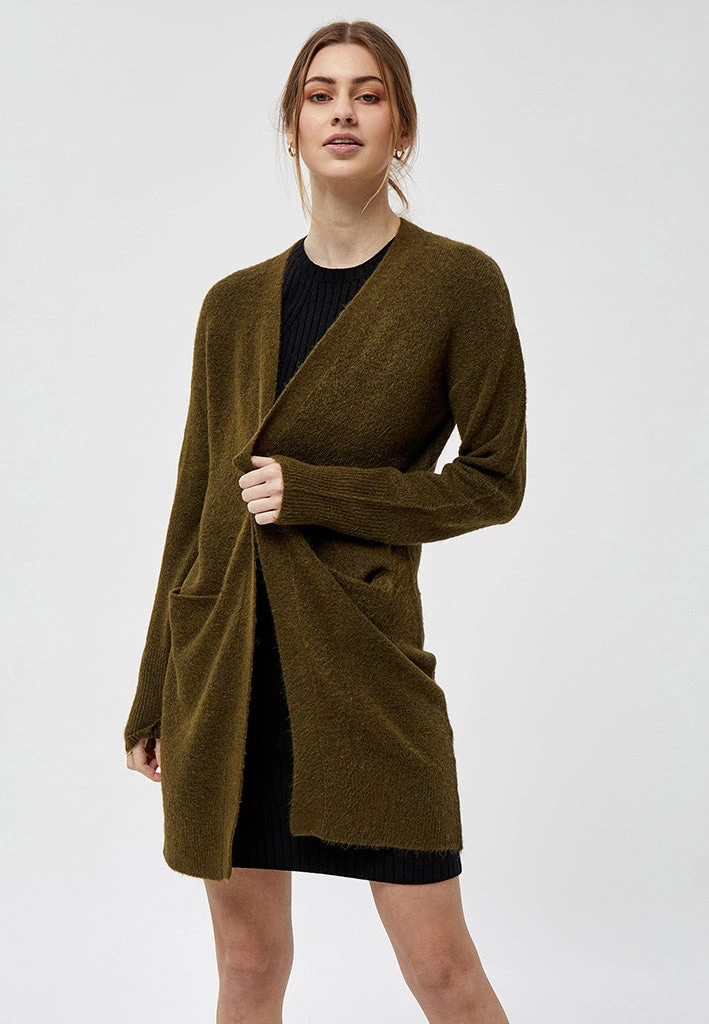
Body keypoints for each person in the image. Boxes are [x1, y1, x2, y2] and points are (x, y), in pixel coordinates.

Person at [126, 19, 525, 1024]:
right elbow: (196, 503)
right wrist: (154, 691)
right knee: (247, 971)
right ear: (293, 127)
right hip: (229, 674)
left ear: (402, 128)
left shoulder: (456, 285)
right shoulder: (232, 306)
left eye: (368, 93)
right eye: (320, 94)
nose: (342, 112)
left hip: (363, 669)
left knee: (442, 973)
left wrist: (320, 493)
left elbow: (492, 481)